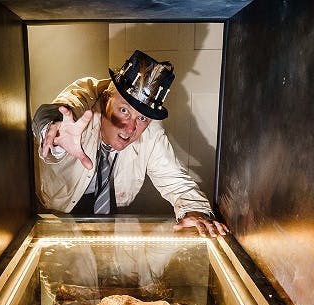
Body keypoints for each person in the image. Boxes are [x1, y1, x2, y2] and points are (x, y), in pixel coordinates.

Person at [31, 50, 229, 238]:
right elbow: (57, 110)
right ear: (107, 98)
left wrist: (194, 211)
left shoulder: (151, 132)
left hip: (113, 229)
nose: (130, 128)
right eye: (124, 111)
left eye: (142, 118)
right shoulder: (85, 101)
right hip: (54, 218)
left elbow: (175, 180)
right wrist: (55, 133)